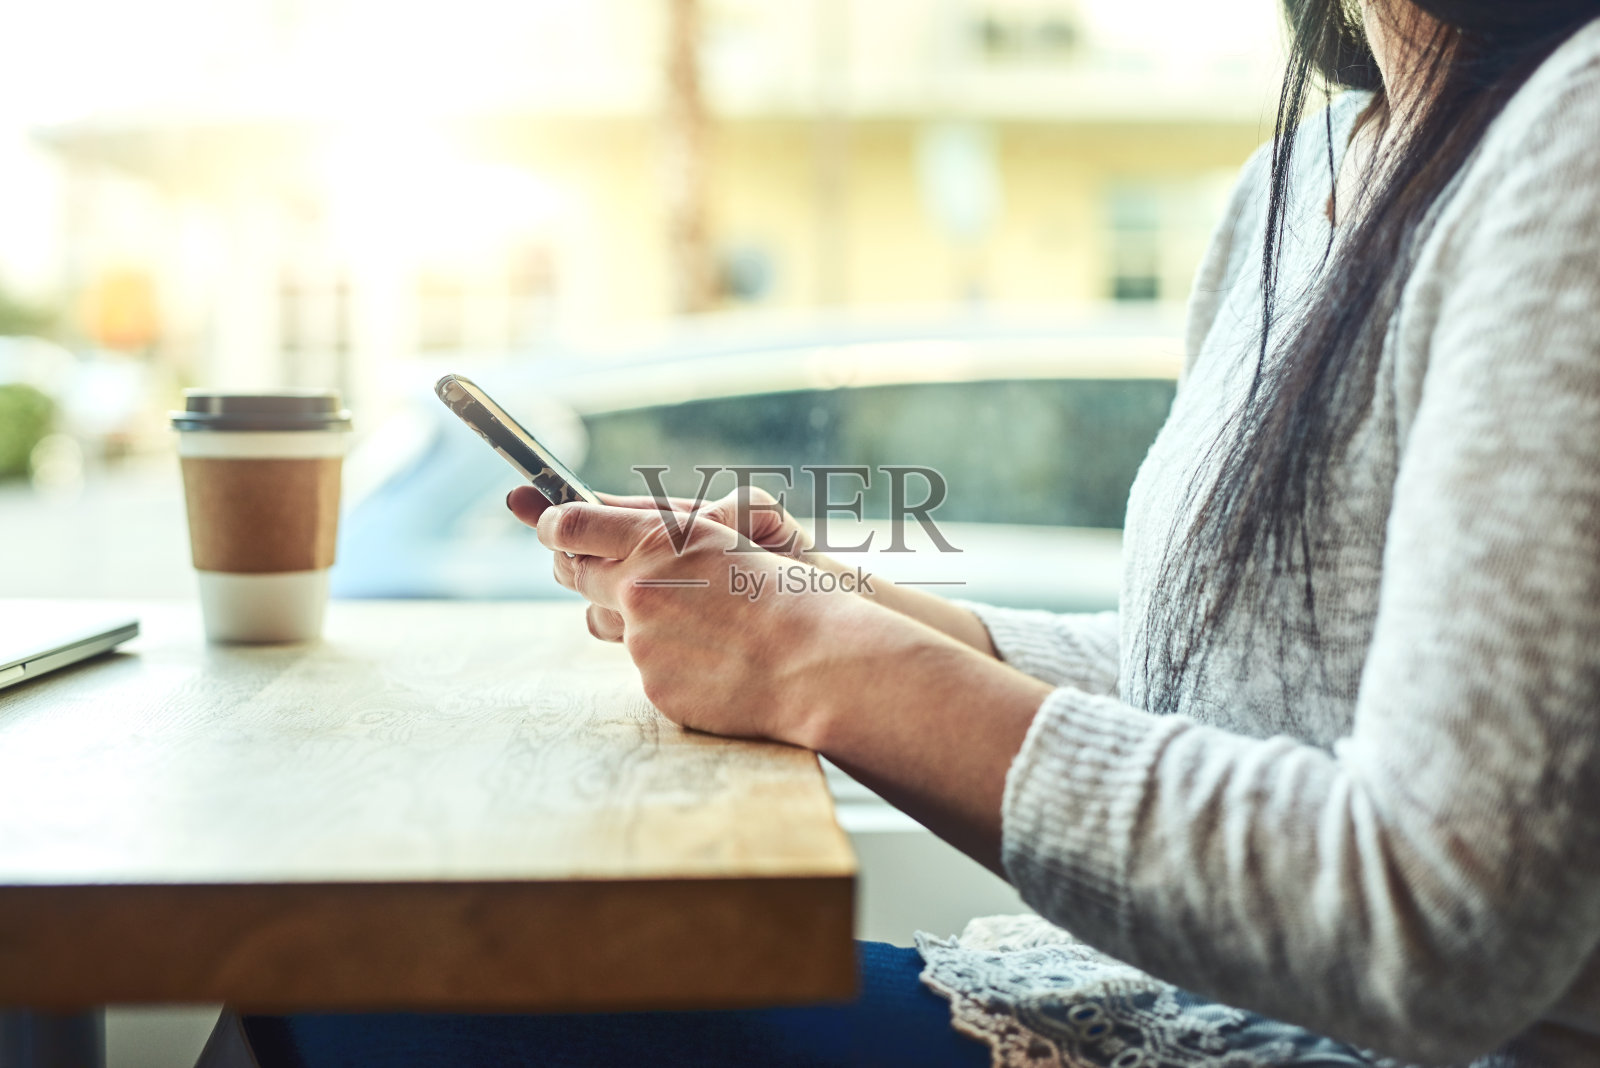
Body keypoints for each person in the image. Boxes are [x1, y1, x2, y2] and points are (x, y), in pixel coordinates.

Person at [239, 0, 1600, 1064]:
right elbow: (1237, 689)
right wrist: (814, 600)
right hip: (1171, 1003)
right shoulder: (1292, 182)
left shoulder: (1573, 133)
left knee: (354, 974)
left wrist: (819, 663)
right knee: (344, 966)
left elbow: (1438, 924)